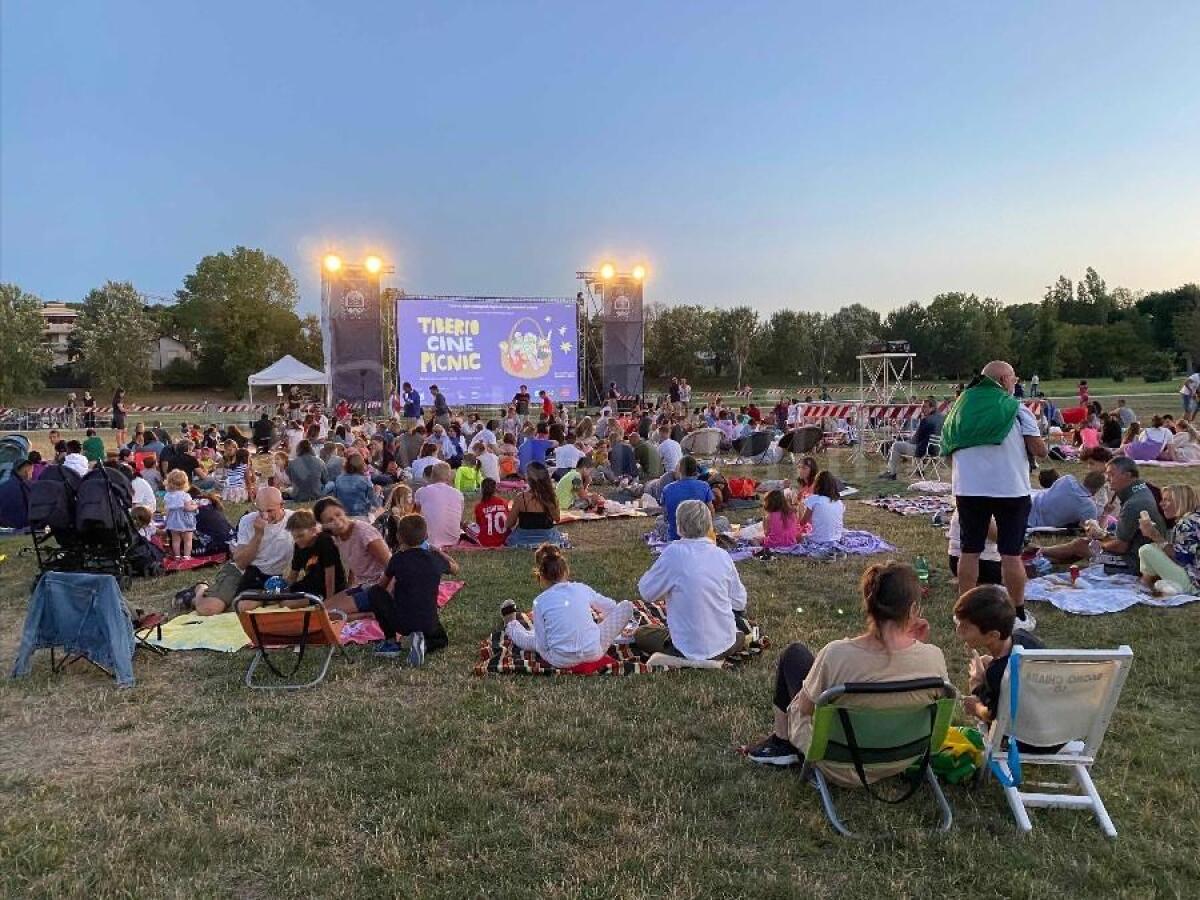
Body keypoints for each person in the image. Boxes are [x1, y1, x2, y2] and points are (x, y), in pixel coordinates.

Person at [744, 561, 945, 770]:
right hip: (902, 758)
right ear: (913, 609)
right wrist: (919, 647)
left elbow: (805, 709)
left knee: (794, 655)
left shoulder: (837, 655)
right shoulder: (934, 657)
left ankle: (781, 742)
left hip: (835, 761)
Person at [941, 360, 1046, 628]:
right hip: (1010, 489)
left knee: (970, 550)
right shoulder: (1016, 409)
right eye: (1013, 378)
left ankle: (963, 612)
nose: (1016, 382)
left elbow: (948, 452)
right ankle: (1018, 614)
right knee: (1011, 554)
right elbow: (1039, 450)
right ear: (1002, 381)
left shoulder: (959, 410)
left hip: (969, 489)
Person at [634, 500, 748, 661]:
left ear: (679, 525)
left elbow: (646, 592)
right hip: (726, 645)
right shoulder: (722, 555)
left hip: (686, 648)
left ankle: (685, 652)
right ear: (709, 525)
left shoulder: (673, 553)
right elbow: (739, 603)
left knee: (642, 633)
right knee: (739, 635)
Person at [503, 545, 637, 670]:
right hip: (594, 652)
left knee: (531, 639)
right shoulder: (581, 588)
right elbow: (613, 607)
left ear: (541, 577)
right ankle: (515, 626)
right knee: (626, 606)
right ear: (566, 571)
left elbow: (542, 644)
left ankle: (511, 624)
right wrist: (604, 621)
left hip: (560, 659)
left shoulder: (539, 602)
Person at [1040, 457, 1167, 574]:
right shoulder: (1142, 488)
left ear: (1127, 475)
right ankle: (1045, 556)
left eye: (1111, 474)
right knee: (1083, 544)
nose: (1107, 478)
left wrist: (1098, 540)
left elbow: (1120, 547)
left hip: (1136, 562)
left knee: (1082, 545)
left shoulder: (1133, 504)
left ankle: (1039, 553)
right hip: (1145, 552)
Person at [371, 513, 460, 663]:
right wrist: (438, 552)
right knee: (441, 640)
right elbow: (456, 568)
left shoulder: (397, 559)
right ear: (426, 536)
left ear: (399, 537)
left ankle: (391, 642)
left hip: (402, 622)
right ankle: (424, 645)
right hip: (429, 620)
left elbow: (381, 587)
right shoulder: (435, 559)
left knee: (374, 593)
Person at [953, 584, 1043, 727]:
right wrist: (993, 662)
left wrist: (976, 686)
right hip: (1055, 731)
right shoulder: (1025, 638)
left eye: (965, 627)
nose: (958, 630)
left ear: (992, 635)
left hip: (1023, 741)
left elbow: (993, 716)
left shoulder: (997, 673)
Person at [313, 496, 393, 616]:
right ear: (324, 525)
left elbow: (392, 565)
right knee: (322, 607)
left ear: (344, 511)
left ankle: (368, 615)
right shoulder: (337, 537)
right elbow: (354, 562)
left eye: (338, 514)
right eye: (330, 520)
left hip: (380, 587)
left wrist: (384, 597)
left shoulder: (363, 532)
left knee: (329, 613)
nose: (337, 522)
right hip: (364, 585)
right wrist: (350, 589)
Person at [1136, 484, 1200, 595]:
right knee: (1155, 547)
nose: (1161, 504)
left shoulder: (1186, 523)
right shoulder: (1194, 518)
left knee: (1146, 550)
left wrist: (1154, 535)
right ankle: (1147, 582)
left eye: (1167, 500)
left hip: (1194, 584)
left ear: (1180, 501)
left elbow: (1181, 559)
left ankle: (1147, 583)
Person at [275, 509, 345, 601]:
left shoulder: (325, 541)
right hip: (311, 584)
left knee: (289, 603)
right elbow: (293, 575)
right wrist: (282, 591)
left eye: (301, 536)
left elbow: (330, 576)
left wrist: (329, 601)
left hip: (330, 587)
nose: (297, 540)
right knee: (278, 598)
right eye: (294, 537)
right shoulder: (298, 546)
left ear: (313, 530)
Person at [879, 398, 944, 479]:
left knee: (896, 445)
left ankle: (892, 473)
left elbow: (916, 439)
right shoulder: (941, 418)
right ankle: (920, 470)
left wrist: (907, 441)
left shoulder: (926, 420)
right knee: (916, 443)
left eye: (924, 407)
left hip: (924, 450)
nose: (922, 409)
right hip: (937, 449)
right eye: (922, 406)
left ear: (932, 408)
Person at [506, 461, 565, 547]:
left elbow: (509, 523)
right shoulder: (551, 497)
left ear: (528, 478)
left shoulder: (521, 498)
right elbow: (557, 519)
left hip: (523, 539)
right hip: (548, 538)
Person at [1027, 470, 1106, 529]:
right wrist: (1106, 513)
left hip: (1029, 502)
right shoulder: (1089, 507)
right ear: (1098, 489)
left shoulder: (1067, 479)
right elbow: (1096, 532)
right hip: (1033, 521)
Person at [660, 456, 714, 542]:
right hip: (701, 535)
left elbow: (665, 516)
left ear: (680, 470)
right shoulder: (704, 486)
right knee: (723, 521)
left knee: (659, 521)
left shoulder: (668, 489)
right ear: (695, 470)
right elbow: (711, 512)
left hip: (675, 536)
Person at [413, 461, 465, 548]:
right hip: (454, 539)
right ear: (449, 477)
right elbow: (459, 518)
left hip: (428, 540)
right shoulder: (458, 494)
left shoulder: (421, 491)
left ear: (432, 475)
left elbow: (414, 516)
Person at [948, 506, 1002, 585]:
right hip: (984, 564)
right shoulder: (982, 504)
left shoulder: (965, 500)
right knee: (1014, 561)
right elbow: (995, 535)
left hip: (957, 560)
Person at [797, 471, 844, 543]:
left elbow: (803, 522)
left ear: (817, 485)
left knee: (796, 536)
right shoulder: (839, 503)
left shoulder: (814, 499)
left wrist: (799, 509)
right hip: (837, 538)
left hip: (818, 540)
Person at [327, 452, 379, 518]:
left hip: (343, 514)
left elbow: (335, 497)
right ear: (361, 465)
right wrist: (378, 493)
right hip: (361, 514)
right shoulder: (365, 480)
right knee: (379, 494)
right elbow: (373, 501)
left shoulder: (338, 478)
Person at [163, 468, 199, 559]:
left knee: (175, 540)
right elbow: (187, 508)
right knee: (187, 540)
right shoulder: (185, 496)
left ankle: (177, 556)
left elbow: (167, 509)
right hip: (184, 520)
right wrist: (196, 506)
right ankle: (187, 557)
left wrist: (166, 520)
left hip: (173, 521)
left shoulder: (168, 495)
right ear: (185, 483)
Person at [472, 478, 510, 547]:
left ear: (482, 490)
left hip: (486, 541)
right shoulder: (503, 502)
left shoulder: (479, 506)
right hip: (505, 539)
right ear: (495, 489)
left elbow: (479, 525)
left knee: (469, 526)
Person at [0, 457, 33, 528]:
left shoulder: (3, 485)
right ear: (25, 471)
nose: (31, 474)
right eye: (31, 471)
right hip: (21, 527)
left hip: (3, 527)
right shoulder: (27, 487)